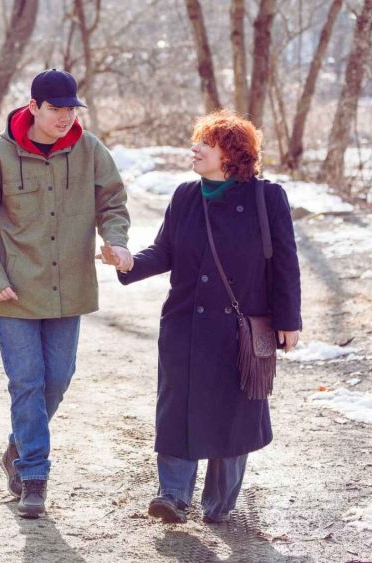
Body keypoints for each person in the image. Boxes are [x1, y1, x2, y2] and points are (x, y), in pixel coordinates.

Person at [0, 69, 132, 519]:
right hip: (14, 293)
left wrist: (115, 240)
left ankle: (18, 445)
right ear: (33, 106)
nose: (65, 117)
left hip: (69, 289)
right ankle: (33, 476)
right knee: (27, 382)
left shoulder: (89, 150)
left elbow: (113, 202)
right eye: (55, 108)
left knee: (58, 378)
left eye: (71, 109)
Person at [116, 109, 301, 523]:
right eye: (197, 140)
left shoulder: (267, 198)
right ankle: (172, 494)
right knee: (177, 408)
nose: (195, 148)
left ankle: (219, 503)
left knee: (232, 415)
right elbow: (164, 251)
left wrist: (289, 320)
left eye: (206, 143)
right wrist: (129, 262)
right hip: (184, 325)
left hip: (239, 329)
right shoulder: (186, 196)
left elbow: (285, 263)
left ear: (231, 155)